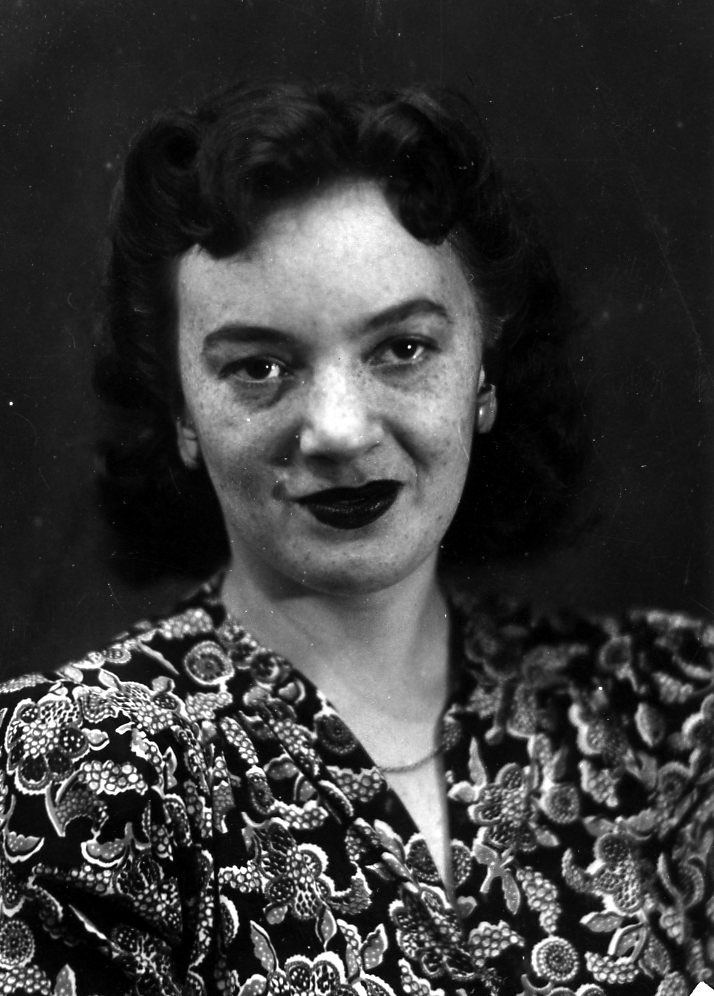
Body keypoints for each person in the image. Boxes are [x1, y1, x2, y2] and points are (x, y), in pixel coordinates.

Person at [0, 80, 710, 996]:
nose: (338, 431)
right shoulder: (79, 771)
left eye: (402, 349)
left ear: (483, 372)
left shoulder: (672, 711)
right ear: (180, 411)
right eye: (259, 366)